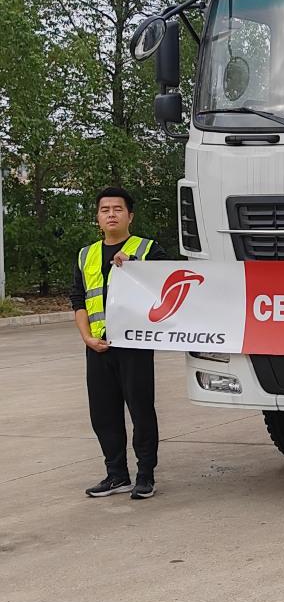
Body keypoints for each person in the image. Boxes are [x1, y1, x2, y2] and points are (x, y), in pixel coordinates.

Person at [70, 187, 167, 499]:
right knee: (103, 413)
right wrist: (86, 338)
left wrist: (138, 264)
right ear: (97, 217)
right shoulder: (86, 255)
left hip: (134, 347)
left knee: (140, 410)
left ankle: (145, 475)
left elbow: (171, 281)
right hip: (98, 346)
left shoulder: (147, 249)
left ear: (130, 215)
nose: (111, 214)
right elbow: (78, 299)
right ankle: (116, 475)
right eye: (104, 209)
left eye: (117, 209)